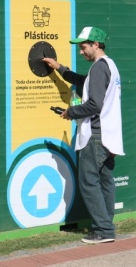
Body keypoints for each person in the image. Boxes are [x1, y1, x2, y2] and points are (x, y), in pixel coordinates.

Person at [42, 26, 124, 244]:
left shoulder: (98, 68)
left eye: (84, 46)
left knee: (89, 182)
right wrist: (60, 68)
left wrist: (71, 112)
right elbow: (83, 82)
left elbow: (94, 104)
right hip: (109, 135)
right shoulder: (109, 66)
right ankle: (107, 225)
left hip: (95, 136)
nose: (81, 51)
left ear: (96, 45)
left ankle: (104, 230)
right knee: (105, 181)